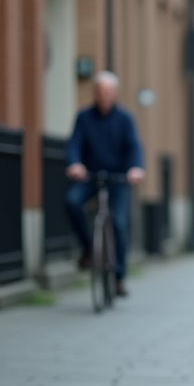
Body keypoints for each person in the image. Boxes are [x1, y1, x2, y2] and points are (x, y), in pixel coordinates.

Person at [65, 71, 145, 297]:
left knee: (119, 223)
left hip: (118, 179)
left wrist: (135, 168)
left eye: (108, 91)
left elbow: (134, 146)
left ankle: (119, 276)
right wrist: (75, 164)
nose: (103, 95)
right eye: (99, 91)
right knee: (71, 201)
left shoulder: (125, 118)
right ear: (94, 93)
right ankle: (88, 247)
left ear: (115, 94)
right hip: (90, 176)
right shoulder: (84, 117)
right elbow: (74, 144)